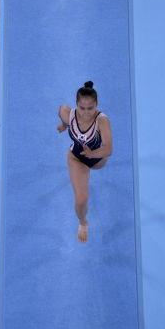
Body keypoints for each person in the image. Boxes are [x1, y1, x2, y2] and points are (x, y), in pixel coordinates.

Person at [57, 81, 112, 243]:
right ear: (76, 105)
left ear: (97, 104)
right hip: (76, 157)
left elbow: (108, 149)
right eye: (82, 108)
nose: (86, 112)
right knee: (81, 200)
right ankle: (83, 222)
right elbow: (62, 110)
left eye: (90, 108)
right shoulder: (67, 113)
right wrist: (64, 125)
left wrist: (93, 153)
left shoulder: (102, 121)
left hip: (97, 160)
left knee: (99, 160)